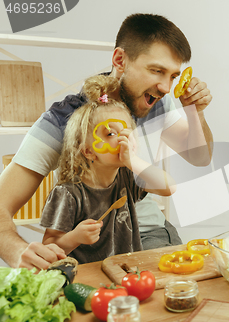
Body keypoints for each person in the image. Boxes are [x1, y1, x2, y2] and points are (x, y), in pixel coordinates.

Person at [0, 13, 213, 270]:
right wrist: (17, 251)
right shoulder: (63, 120)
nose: (167, 87)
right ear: (120, 60)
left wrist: (195, 111)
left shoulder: (157, 99)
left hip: (149, 236)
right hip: (89, 248)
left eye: (173, 76)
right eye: (156, 70)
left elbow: (200, 157)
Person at [41, 76, 176, 264]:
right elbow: (49, 246)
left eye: (127, 132)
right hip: (86, 278)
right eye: (111, 133)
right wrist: (75, 237)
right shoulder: (67, 194)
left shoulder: (127, 177)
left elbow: (169, 187)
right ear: (88, 151)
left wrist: (134, 161)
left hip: (125, 272)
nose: (122, 139)